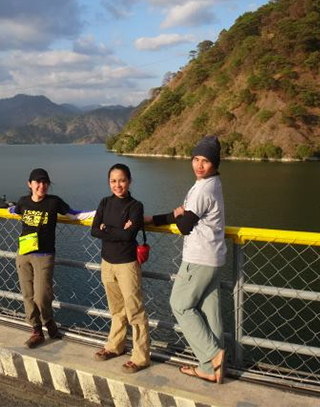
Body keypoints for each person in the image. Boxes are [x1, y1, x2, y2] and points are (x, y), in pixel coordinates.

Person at [145, 135, 227, 384]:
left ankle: (213, 355)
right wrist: (153, 220)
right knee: (210, 312)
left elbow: (184, 225)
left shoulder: (203, 188)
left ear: (214, 164)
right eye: (196, 159)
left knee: (180, 304)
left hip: (199, 257)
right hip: (214, 257)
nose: (199, 165)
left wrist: (180, 214)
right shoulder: (212, 184)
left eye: (205, 161)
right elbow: (180, 215)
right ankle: (211, 368)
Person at [11, 168, 92, 349]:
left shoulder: (53, 202)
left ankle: (48, 321)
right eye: (38, 182)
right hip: (23, 253)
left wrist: (98, 213)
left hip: (44, 255)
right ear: (29, 184)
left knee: (42, 295)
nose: (42, 186)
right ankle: (36, 330)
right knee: (27, 294)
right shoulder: (23, 201)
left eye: (45, 182)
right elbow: (14, 211)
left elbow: (75, 215)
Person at [90, 163, 150, 374]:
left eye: (122, 180)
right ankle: (115, 346)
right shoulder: (105, 202)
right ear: (109, 182)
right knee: (116, 309)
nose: (118, 185)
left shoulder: (135, 206)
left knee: (135, 310)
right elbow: (94, 231)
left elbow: (128, 236)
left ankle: (141, 356)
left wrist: (107, 228)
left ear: (129, 181)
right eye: (113, 181)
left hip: (127, 265)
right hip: (107, 263)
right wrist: (114, 229)